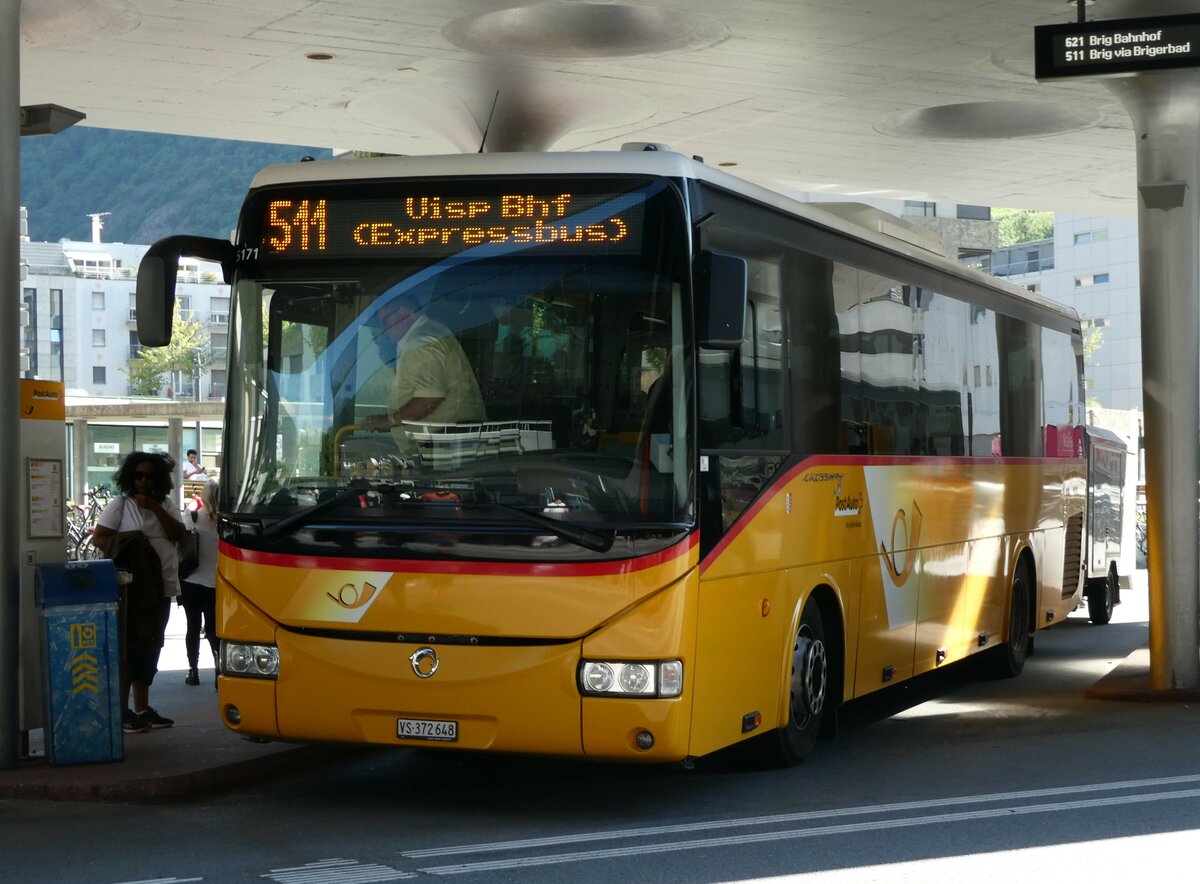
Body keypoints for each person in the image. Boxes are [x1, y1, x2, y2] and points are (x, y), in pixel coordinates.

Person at [91, 451, 185, 734]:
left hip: (162, 585)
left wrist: (154, 508)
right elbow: (100, 538)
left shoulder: (166, 505)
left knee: (151, 646)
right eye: (138, 475)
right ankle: (121, 712)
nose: (143, 481)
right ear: (129, 477)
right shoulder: (121, 505)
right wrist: (133, 540)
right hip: (132, 590)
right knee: (130, 648)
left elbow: (178, 533)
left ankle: (143, 708)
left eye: (149, 476)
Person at [359, 290, 486, 447]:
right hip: (447, 445)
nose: (384, 330)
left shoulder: (420, 343)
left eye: (385, 321)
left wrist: (388, 421)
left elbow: (429, 398)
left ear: (405, 314)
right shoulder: (432, 331)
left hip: (442, 451)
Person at [179, 478, 220, 687]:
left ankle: (193, 671)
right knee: (214, 630)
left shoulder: (193, 517)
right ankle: (218, 672)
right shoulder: (226, 523)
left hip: (191, 581)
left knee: (192, 627)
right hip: (216, 584)